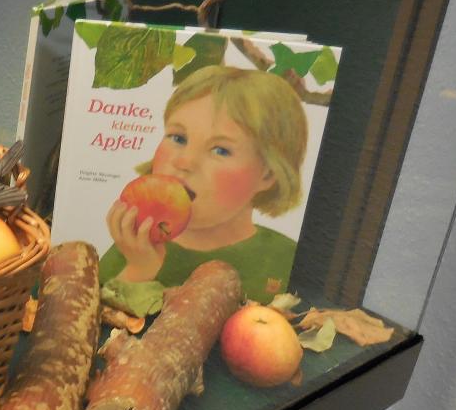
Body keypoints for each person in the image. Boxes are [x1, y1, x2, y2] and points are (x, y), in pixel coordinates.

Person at [99, 64, 308, 304]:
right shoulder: (136, 245)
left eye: (220, 150)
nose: (185, 162)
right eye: (178, 138)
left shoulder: (285, 258)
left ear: (268, 174)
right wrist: (138, 270)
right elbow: (95, 316)